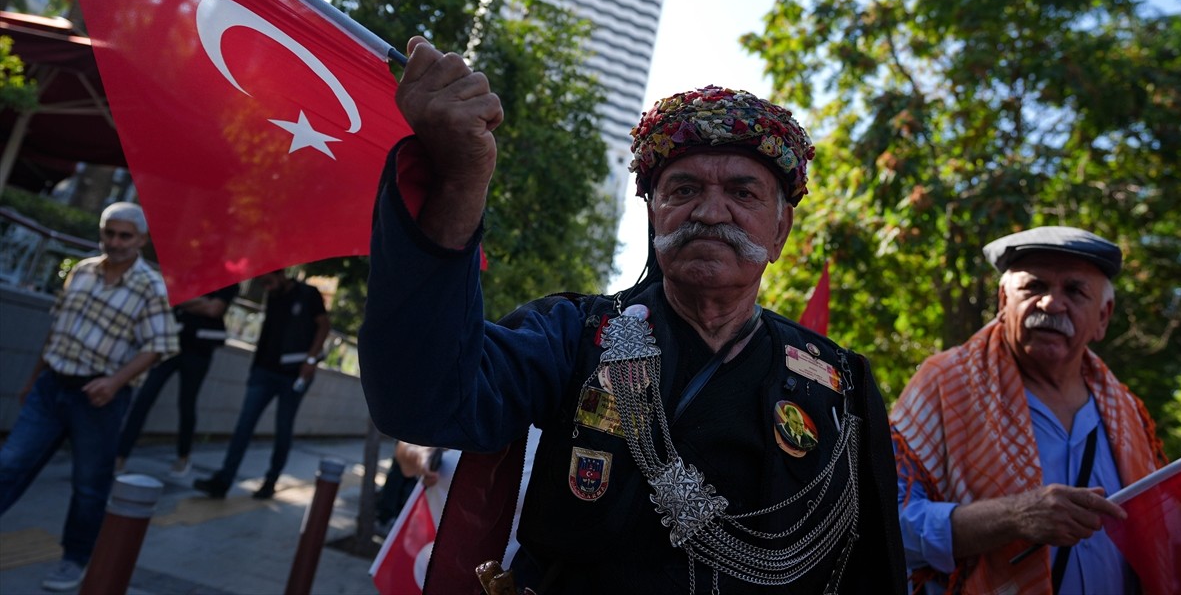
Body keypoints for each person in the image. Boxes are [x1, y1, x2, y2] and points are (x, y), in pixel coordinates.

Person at [358, 38, 907, 594]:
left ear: (781, 232)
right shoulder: (572, 335)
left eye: (743, 192)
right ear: (654, 217)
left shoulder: (842, 388)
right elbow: (421, 399)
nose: (712, 212)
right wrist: (458, 181)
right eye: (684, 190)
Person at [890, 226, 1167, 594]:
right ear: (1004, 300)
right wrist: (1014, 516)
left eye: (1074, 290)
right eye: (1034, 286)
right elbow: (886, 525)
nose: (1051, 304)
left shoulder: (1128, 411)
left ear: (1104, 317)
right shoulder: (944, 384)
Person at [0, 202, 177, 592]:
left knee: (89, 484)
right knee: (10, 462)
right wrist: (34, 379)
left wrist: (115, 382)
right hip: (51, 387)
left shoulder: (150, 286)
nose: (115, 242)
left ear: (142, 240)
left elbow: (160, 345)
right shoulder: (80, 271)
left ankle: (75, 558)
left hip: (99, 398)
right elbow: (56, 331)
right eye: (109, 233)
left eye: (124, 236)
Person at [193, 269, 329, 500]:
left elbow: (324, 325)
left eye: (268, 281)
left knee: (283, 429)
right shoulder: (273, 294)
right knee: (244, 426)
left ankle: (271, 480)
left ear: (280, 274)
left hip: (294, 374)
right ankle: (224, 480)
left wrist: (310, 359)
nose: (265, 286)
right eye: (261, 282)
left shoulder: (308, 293)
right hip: (264, 371)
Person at [115, 283, 241, 478]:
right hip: (171, 344)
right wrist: (201, 302)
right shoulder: (192, 272)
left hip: (199, 351)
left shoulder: (230, 281)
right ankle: (120, 457)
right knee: (144, 398)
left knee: (187, 404)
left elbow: (214, 310)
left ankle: (183, 456)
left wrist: (187, 302)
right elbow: (171, 298)